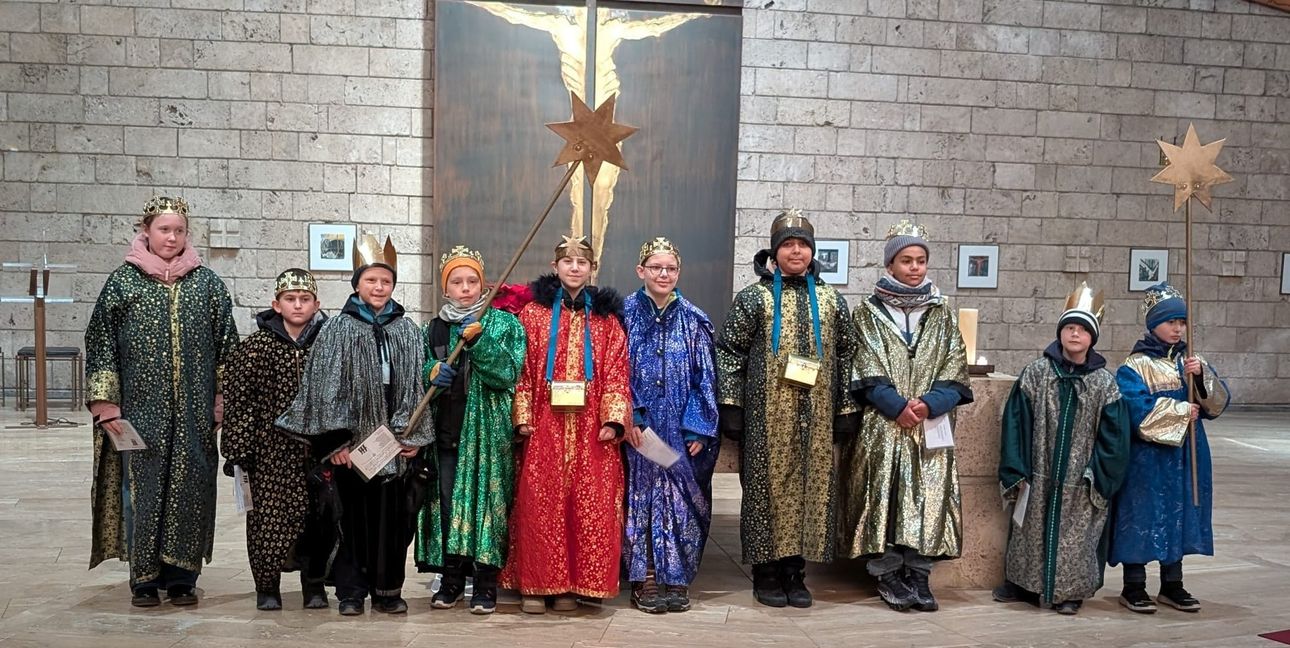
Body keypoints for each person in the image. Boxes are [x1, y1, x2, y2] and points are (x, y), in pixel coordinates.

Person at [85, 196, 239, 607]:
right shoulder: (123, 282)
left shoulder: (207, 284)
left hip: (194, 412)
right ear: (147, 231)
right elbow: (100, 343)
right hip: (137, 413)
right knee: (142, 492)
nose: (171, 237)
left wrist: (222, 399)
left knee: (190, 489)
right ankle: (145, 578)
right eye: (164, 229)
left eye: (179, 230)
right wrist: (105, 404)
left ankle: (183, 576)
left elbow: (227, 346)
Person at [276, 233, 434, 616]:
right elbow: (323, 388)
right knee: (351, 523)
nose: (379, 288)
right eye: (371, 281)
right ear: (357, 284)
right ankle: (351, 592)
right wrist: (336, 443)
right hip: (352, 447)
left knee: (392, 525)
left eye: (386, 281)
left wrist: (413, 437)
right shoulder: (336, 330)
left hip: (394, 447)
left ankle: (387, 592)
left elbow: (415, 387)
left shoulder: (408, 331)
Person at [715, 209, 858, 609]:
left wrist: (846, 408)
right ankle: (766, 571)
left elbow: (847, 355)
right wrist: (732, 406)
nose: (796, 251)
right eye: (788, 245)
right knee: (765, 491)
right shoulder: (754, 298)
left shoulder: (831, 300)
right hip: (765, 417)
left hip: (816, 415)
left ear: (812, 253)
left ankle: (796, 572)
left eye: (803, 245)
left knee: (811, 490)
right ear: (774, 252)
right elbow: (729, 353)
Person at [839, 219, 973, 613]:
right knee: (883, 496)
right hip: (884, 423)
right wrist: (897, 406)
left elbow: (955, 365)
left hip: (930, 423)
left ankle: (918, 571)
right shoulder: (868, 313)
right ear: (890, 265)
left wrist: (931, 403)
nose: (914, 267)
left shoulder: (941, 313)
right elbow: (862, 364)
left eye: (920, 260)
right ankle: (886, 571)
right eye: (905, 260)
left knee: (929, 498)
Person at [501, 234, 631, 614]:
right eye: (568, 262)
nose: (575, 268)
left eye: (582, 262)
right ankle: (535, 584)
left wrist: (613, 419)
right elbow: (522, 371)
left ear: (592, 269)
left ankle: (572, 585)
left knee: (586, 504)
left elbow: (617, 372)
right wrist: (523, 416)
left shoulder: (607, 321)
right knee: (541, 503)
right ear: (555, 267)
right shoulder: (534, 315)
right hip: (545, 423)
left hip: (592, 428)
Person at [994, 282, 1132, 615]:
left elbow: (1115, 437)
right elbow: (1015, 422)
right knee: (1029, 531)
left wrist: (1097, 477)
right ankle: (1027, 585)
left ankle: (1071, 592)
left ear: (1092, 338)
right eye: (1069, 327)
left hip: (1080, 480)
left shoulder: (1104, 384)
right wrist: (1017, 467)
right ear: (1060, 332)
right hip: (1038, 473)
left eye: (1082, 330)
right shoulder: (1037, 374)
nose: (1075, 334)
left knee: (1077, 537)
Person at [413, 245, 526, 615]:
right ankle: (451, 581)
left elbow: (507, 374)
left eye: (472, 280)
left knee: (487, 507)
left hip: (487, 436)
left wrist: (479, 342)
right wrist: (431, 371)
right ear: (446, 289)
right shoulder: (434, 327)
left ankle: (486, 583)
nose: (465, 288)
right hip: (447, 433)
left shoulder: (504, 324)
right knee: (449, 507)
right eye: (457, 282)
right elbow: (421, 373)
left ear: (483, 284)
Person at [1108, 282, 1230, 614]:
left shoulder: (1193, 360)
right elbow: (1135, 410)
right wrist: (1178, 411)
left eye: (1182, 322)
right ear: (1153, 324)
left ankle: (1172, 584)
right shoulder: (1134, 366)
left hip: (1187, 454)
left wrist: (1202, 376)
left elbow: (1217, 405)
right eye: (1170, 322)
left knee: (1180, 512)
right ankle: (1134, 585)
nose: (1177, 328)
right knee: (1144, 514)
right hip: (1148, 459)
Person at [220, 268, 334, 611]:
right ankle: (267, 586)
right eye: (290, 299)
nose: (297, 305)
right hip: (269, 452)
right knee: (268, 520)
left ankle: (314, 585)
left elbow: (342, 395)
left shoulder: (329, 345)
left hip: (317, 451)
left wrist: (339, 442)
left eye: (304, 299)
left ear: (316, 304)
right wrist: (239, 449)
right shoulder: (254, 349)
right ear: (276, 303)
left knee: (318, 521)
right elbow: (239, 402)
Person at [622, 237, 719, 614]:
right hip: (639, 432)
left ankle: (675, 575)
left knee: (679, 502)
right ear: (641, 271)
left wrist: (697, 426)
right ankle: (644, 575)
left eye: (671, 268)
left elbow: (705, 377)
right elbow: (615, 370)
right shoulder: (624, 316)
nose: (664, 274)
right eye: (656, 267)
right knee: (641, 499)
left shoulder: (694, 320)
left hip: (680, 431)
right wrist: (633, 415)